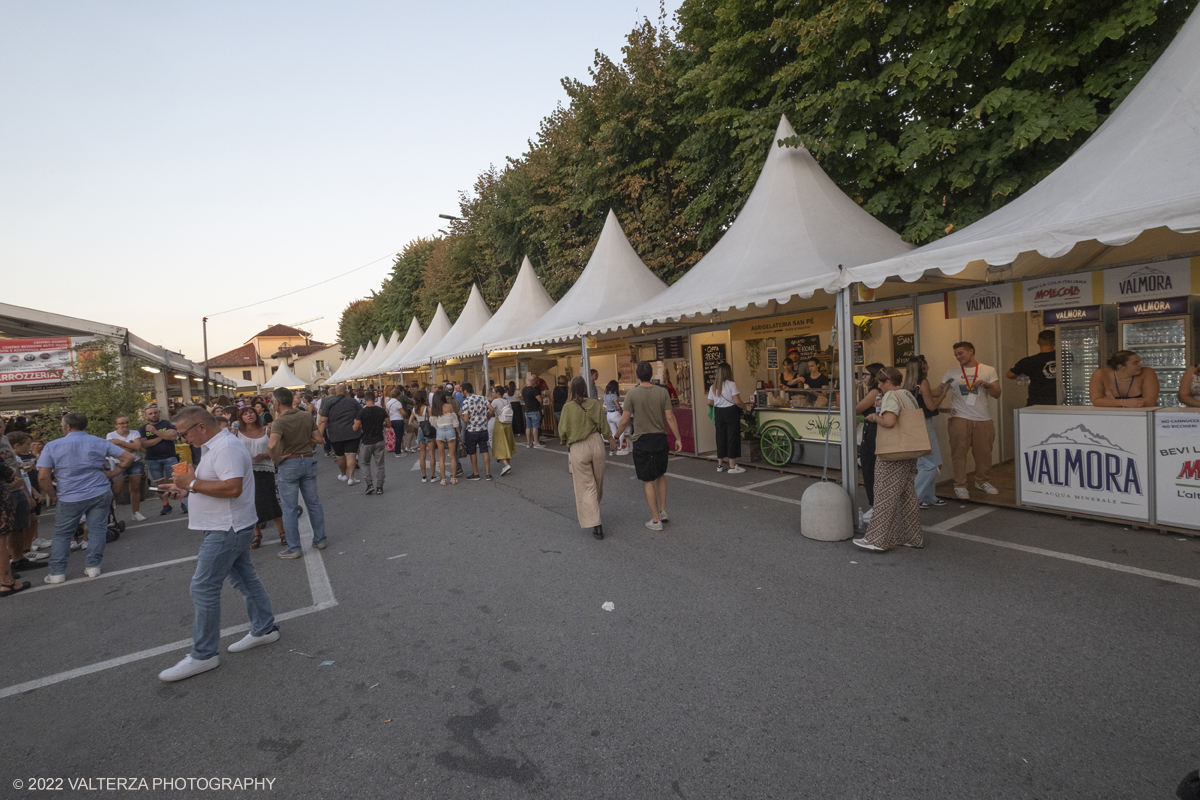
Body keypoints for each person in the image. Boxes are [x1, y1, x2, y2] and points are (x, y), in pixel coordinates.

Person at [157, 406, 279, 682]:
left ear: (200, 427)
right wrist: (185, 488)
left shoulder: (225, 448)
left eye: (185, 433)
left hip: (227, 528)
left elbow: (232, 488)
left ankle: (204, 654)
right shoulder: (215, 446)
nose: (183, 439)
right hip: (227, 526)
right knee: (244, 580)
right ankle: (264, 629)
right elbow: (213, 484)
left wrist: (192, 483)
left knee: (203, 587)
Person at [37, 412, 135, 583]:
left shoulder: (53, 446)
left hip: (69, 495)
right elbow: (128, 457)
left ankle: (57, 573)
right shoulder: (99, 441)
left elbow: (43, 477)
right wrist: (113, 473)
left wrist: (53, 496)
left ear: (67, 426)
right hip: (99, 490)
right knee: (97, 530)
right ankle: (93, 567)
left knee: (62, 534)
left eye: (62, 425)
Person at [853, 367, 923, 552]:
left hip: (893, 452)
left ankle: (878, 539)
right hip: (910, 450)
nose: (880, 388)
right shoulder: (908, 394)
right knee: (907, 495)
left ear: (888, 382)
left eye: (881, 384)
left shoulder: (891, 396)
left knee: (884, 493)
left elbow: (890, 422)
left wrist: (876, 417)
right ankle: (911, 536)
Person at [612, 361, 683, 531]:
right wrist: (678, 438)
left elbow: (624, 420)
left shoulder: (632, 394)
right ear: (652, 375)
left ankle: (656, 521)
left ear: (637, 375)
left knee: (647, 479)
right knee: (660, 474)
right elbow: (670, 417)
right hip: (660, 438)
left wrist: (615, 437)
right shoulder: (662, 392)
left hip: (642, 440)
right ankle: (663, 510)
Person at [268, 387, 328, 558]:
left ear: (277, 402)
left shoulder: (279, 422)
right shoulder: (305, 416)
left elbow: (272, 445)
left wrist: (276, 459)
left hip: (289, 462)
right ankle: (320, 539)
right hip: (307, 459)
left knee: (289, 508)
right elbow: (319, 439)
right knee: (313, 503)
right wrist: (303, 437)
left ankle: (294, 548)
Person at [942, 341, 1001, 499]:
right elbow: (939, 391)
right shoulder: (951, 373)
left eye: (961, 353)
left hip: (983, 418)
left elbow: (997, 394)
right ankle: (960, 484)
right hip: (959, 417)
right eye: (955, 354)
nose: (958, 357)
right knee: (959, 453)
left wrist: (988, 385)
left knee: (984, 454)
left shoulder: (988, 370)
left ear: (971, 351)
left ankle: (982, 481)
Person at [559, 376, 611, 539]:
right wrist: (611, 439)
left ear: (571, 390)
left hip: (579, 447)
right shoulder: (594, 404)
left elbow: (563, 431)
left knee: (586, 486)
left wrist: (565, 439)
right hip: (596, 443)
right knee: (597, 482)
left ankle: (596, 524)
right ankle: (594, 508)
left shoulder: (567, 407)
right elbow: (603, 424)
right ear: (585, 388)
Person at [235, 406, 285, 548]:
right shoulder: (236, 433)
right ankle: (257, 533)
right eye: (245, 414)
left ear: (256, 415)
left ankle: (282, 531)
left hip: (265, 470)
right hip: (245, 472)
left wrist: (266, 455)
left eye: (251, 412)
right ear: (241, 418)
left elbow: (278, 449)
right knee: (251, 502)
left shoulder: (266, 431)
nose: (249, 415)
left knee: (270, 499)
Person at [904, 357, 948, 509]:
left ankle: (928, 497)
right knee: (932, 463)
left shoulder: (908, 383)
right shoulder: (923, 382)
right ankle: (913, 498)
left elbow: (925, 398)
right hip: (924, 424)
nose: (928, 366)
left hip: (913, 425)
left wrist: (941, 388)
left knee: (923, 463)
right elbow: (930, 406)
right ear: (922, 367)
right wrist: (944, 395)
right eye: (926, 364)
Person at [140, 403, 185, 516]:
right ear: (146, 416)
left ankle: (184, 502)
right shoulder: (142, 428)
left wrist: (155, 432)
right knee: (159, 485)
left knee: (178, 480)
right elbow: (144, 443)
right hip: (152, 459)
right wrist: (163, 436)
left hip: (170, 456)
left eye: (155, 412)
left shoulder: (168, 423)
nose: (153, 415)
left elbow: (173, 436)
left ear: (159, 413)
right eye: (150, 413)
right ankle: (166, 505)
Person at [856, 363, 885, 521]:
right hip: (877, 432)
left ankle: (875, 507)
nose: (863, 378)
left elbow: (857, 408)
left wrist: (852, 390)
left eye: (866, 374)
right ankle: (877, 506)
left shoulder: (875, 391)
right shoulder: (879, 391)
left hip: (873, 432)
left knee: (869, 469)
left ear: (874, 376)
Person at [707, 362, 748, 474]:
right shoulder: (731, 384)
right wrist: (745, 407)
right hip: (730, 412)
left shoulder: (713, 386)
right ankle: (732, 466)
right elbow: (737, 401)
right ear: (728, 372)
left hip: (719, 413)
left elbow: (709, 402)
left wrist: (718, 401)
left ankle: (720, 465)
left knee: (720, 437)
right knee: (732, 437)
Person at [319, 383, 362, 486]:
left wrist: (319, 436)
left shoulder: (329, 403)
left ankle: (343, 475)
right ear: (345, 391)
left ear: (336, 392)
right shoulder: (353, 401)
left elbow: (323, 421)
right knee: (351, 454)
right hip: (352, 432)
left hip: (335, 433)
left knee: (339, 454)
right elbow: (361, 414)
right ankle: (351, 478)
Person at [106, 414, 146, 522]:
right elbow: (115, 451)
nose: (125, 425)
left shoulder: (135, 433)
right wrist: (129, 448)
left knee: (135, 488)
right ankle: (110, 513)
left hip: (135, 462)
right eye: (122, 423)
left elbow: (137, 447)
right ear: (116, 425)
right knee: (116, 490)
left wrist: (120, 443)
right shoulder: (110, 435)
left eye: (126, 422)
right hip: (119, 464)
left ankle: (135, 512)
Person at [1089, 350, 1160, 409]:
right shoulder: (1100, 374)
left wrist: (1112, 403)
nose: (1140, 365)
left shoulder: (1147, 372)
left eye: (1139, 361)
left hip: (1143, 416)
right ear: (1121, 367)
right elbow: (1095, 401)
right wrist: (1124, 402)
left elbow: (1149, 402)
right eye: (1135, 363)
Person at [1007, 330, 1057, 406]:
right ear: (1055, 342)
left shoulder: (1028, 361)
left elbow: (1009, 375)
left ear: (1037, 342)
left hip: (1036, 402)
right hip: (1059, 401)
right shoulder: (1064, 357)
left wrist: (1023, 376)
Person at [354, 391, 390, 495]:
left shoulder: (361, 412)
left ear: (365, 400)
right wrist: (380, 425)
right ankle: (379, 487)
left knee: (365, 463)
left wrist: (355, 424)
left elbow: (356, 427)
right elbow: (389, 424)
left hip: (366, 441)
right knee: (380, 464)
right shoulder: (381, 411)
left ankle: (369, 485)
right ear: (375, 399)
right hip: (379, 440)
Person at [459, 382, 492, 481]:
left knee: (473, 452)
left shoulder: (466, 401)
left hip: (472, 431)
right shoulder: (482, 398)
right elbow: (492, 408)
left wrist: (460, 415)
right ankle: (488, 473)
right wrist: (487, 417)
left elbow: (465, 419)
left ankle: (476, 473)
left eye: (461, 391)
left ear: (465, 391)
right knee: (485, 450)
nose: (461, 393)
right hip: (483, 429)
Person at [431, 390, 459, 486]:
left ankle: (443, 479)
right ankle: (453, 478)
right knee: (452, 456)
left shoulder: (433, 409)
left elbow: (433, 423)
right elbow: (455, 421)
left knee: (441, 457)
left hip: (440, 431)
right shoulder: (449, 407)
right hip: (450, 429)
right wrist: (458, 432)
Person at [409, 390, 434, 483]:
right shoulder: (428, 408)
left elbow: (410, 422)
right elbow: (432, 420)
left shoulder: (415, 409)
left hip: (420, 430)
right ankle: (433, 476)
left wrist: (419, 426)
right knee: (431, 454)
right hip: (428, 430)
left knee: (422, 455)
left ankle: (424, 476)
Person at [490, 385, 516, 476]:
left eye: (493, 392)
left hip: (499, 422)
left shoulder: (495, 401)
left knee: (499, 444)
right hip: (508, 423)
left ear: (498, 393)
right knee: (508, 443)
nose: (492, 394)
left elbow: (491, 411)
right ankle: (507, 464)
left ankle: (505, 464)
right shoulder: (507, 401)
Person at [602, 381, 629, 455]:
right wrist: (621, 410)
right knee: (621, 430)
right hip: (615, 413)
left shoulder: (605, 395)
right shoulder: (614, 396)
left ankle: (613, 450)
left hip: (608, 415)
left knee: (614, 432)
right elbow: (618, 406)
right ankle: (619, 448)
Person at [386, 387, 413, 458]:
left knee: (397, 436)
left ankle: (398, 450)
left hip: (392, 420)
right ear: (398, 395)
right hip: (398, 420)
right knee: (399, 436)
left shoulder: (388, 402)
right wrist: (407, 413)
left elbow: (387, 412)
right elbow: (402, 412)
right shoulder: (397, 403)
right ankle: (398, 452)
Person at [521, 375, 544, 448]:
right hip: (534, 410)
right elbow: (540, 399)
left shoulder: (524, 389)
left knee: (528, 426)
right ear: (534, 381)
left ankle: (528, 443)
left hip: (527, 409)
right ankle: (536, 442)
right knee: (535, 426)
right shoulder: (533, 390)